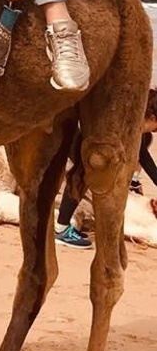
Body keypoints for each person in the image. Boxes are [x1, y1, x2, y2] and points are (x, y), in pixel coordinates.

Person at [55, 88, 157, 249]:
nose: (154, 132)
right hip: (75, 132)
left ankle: (62, 226)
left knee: (88, 173)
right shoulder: (123, 122)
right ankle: (61, 229)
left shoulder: (140, 131)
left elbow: (144, 157)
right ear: (151, 117)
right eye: (156, 127)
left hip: (86, 134)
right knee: (83, 174)